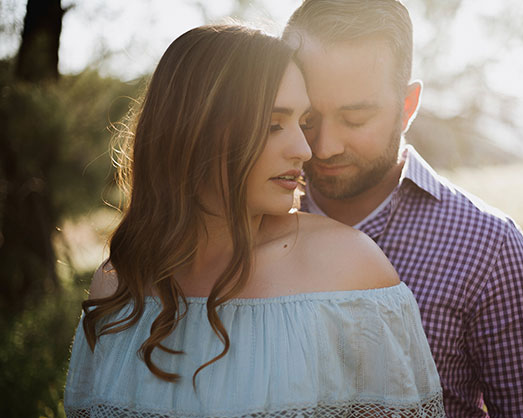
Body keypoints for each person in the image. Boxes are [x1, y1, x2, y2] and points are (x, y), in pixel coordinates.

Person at [63, 24, 445, 417]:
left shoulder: (350, 273)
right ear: (194, 130)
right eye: (273, 125)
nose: (305, 149)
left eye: (303, 122)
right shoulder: (116, 284)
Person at [282, 1, 523, 416]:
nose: (324, 146)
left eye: (356, 118)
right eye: (307, 118)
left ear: (408, 106)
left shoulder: (489, 249)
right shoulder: (246, 226)